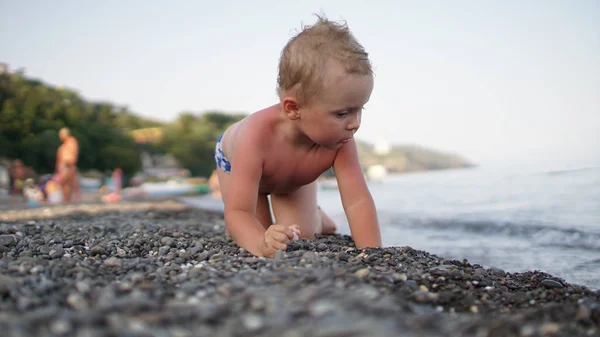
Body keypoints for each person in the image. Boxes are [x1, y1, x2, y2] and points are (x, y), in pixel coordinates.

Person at [214, 15, 382, 258]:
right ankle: (297, 218)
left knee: (300, 236)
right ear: (293, 109)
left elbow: (357, 201)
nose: (355, 124)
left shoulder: (339, 138)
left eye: (360, 109)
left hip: (291, 179)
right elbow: (238, 212)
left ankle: (317, 218)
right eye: (343, 113)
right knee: (253, 237)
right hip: (236, 166)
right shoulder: (255, 136)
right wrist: (262, 243)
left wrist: (373, 254)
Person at [56, 127, 81, 202]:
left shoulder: (71, 142)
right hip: (65, 166)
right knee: (67, 184)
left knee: (68, 183)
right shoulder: (64, 146)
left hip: (68, 165)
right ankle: (67, 199)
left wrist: (68, 164)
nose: (60, 137)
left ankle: (74, 199)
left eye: (61, 135)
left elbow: (72, 155)